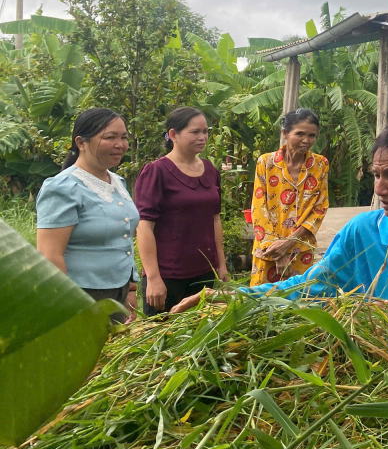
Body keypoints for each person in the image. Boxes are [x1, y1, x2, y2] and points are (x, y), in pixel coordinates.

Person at [171, 123, 388, 397]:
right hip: (380, 384)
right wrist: (232, 297)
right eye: (376, 175)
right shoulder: (361, 232)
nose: (380, 188)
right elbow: (308, 286)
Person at [36, 108, 139, 322]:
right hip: (82, 295)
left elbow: (124, 239)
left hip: (118, 291)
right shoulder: (63, 187)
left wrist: (130, 288)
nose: (120, 144)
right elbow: (50, 255)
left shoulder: (117, 182)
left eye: (124, 137)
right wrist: (65, 304)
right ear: (81, 142)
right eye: (110, 137)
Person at [135, 107, 229, 316]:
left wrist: (221, 265)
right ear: (173, 135)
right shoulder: (156, 171)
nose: (202, 137)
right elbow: (144, 227)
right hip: (168, 276)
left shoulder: (210, 170)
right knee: (162, 333)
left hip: (204, 274)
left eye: (205, 132)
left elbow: (215, 220)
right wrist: (153, 278)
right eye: (195, 132)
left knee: (199, 331)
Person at [249, 108, 329, 286]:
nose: (306, 140)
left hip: (302, 250)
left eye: (311, 135)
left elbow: (320, 208)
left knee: (298, 297)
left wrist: (289, 242)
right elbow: (259, 208)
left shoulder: (320, 165)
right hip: (268, 250)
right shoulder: (266, 163)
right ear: (285, 133)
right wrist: (278, 252)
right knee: (263, 299)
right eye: (299, 134)